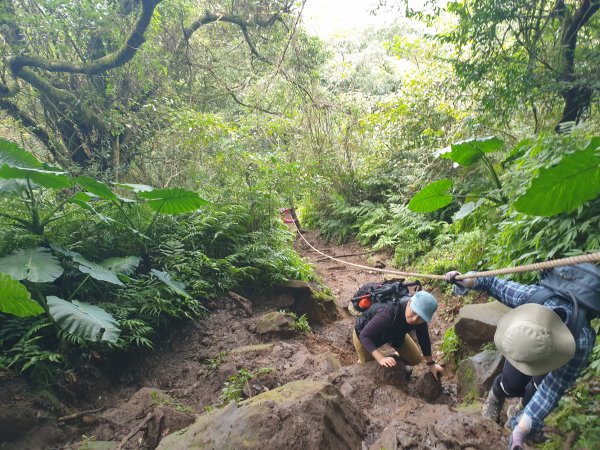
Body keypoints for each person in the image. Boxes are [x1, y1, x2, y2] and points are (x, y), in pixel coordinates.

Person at [445, 269, 597, 450]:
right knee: (511, 383)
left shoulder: (581, 340)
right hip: (535, 338)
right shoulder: (532, 297)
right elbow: (493, 283)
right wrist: (468, 281)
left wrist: (523, 427)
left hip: (560, 346)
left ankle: (519, 412)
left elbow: (553, 389)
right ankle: (495, 397)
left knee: (538, 387)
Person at [352, 290, 444, 380]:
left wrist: (431, 364)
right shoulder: (386, 313)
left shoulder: (421, 318)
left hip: (393, 333)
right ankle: (362, 363)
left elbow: (424, 338)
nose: (415, 319)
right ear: (409, 302)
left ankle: (393, 359)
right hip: (364, 334)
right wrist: (381, 358)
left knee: (415, 359)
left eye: (421, 317)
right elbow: (364, 336)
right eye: (414, 312)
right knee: (368, 366)